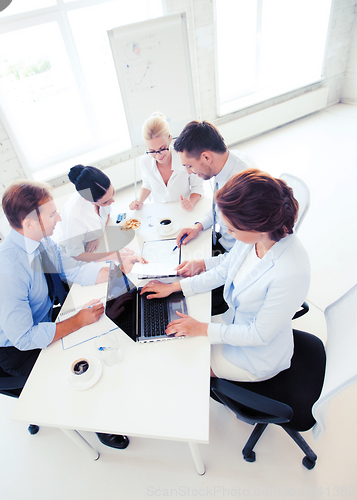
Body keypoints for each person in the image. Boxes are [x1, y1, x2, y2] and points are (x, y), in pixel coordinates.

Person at [0, 179, 131, 449]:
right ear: (29, 224)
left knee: (105, 327)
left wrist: (116, 270)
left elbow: (69, 270)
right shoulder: (6, 272)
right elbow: (24, 337)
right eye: (51, 214)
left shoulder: (41, 243)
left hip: (47, 320)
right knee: (84, 363)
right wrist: (76, 322)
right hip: (20, 350)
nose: (59, 218)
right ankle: (98, 422)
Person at [140, 169, 311, 382]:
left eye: (232, 229)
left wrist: (201, 328)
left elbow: (257, 334)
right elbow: (225, 268)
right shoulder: (258, 237)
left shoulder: (292, 272)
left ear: (257, 226)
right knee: (180, 338)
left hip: (255, 357)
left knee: (186, 364)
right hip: (234, 324)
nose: (229, 233)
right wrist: (176, 287)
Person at [172, 120, 259, 315]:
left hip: (235, 261)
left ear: (206, 157)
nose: (189, 172)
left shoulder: (240, 189)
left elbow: (241, 257)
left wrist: (204, 265)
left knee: (187, 303)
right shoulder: (225, 164)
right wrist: (198, 226)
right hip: (224, 249)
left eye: (189, 165)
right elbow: (218, 208)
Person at [53, 164, 137, 265]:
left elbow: (107, 215)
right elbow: (75, 254)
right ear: (88, 200)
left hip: (94, 241)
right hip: (76, 251)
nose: (113, 201)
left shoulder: (101, 194)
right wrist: (112, 255)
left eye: (113, 192)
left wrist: (97, 236)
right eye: (105, 202)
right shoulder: (75, 215)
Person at [129, 112, 204, 211]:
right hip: (161, 212)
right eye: (152, 151)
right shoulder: (145, 161)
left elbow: (197, 187)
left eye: (162, 148)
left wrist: (191, 202)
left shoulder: (185, 157)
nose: (158, 155)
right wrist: (139, 201)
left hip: (183, 210)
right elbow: (147, 184)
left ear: (170, 139)